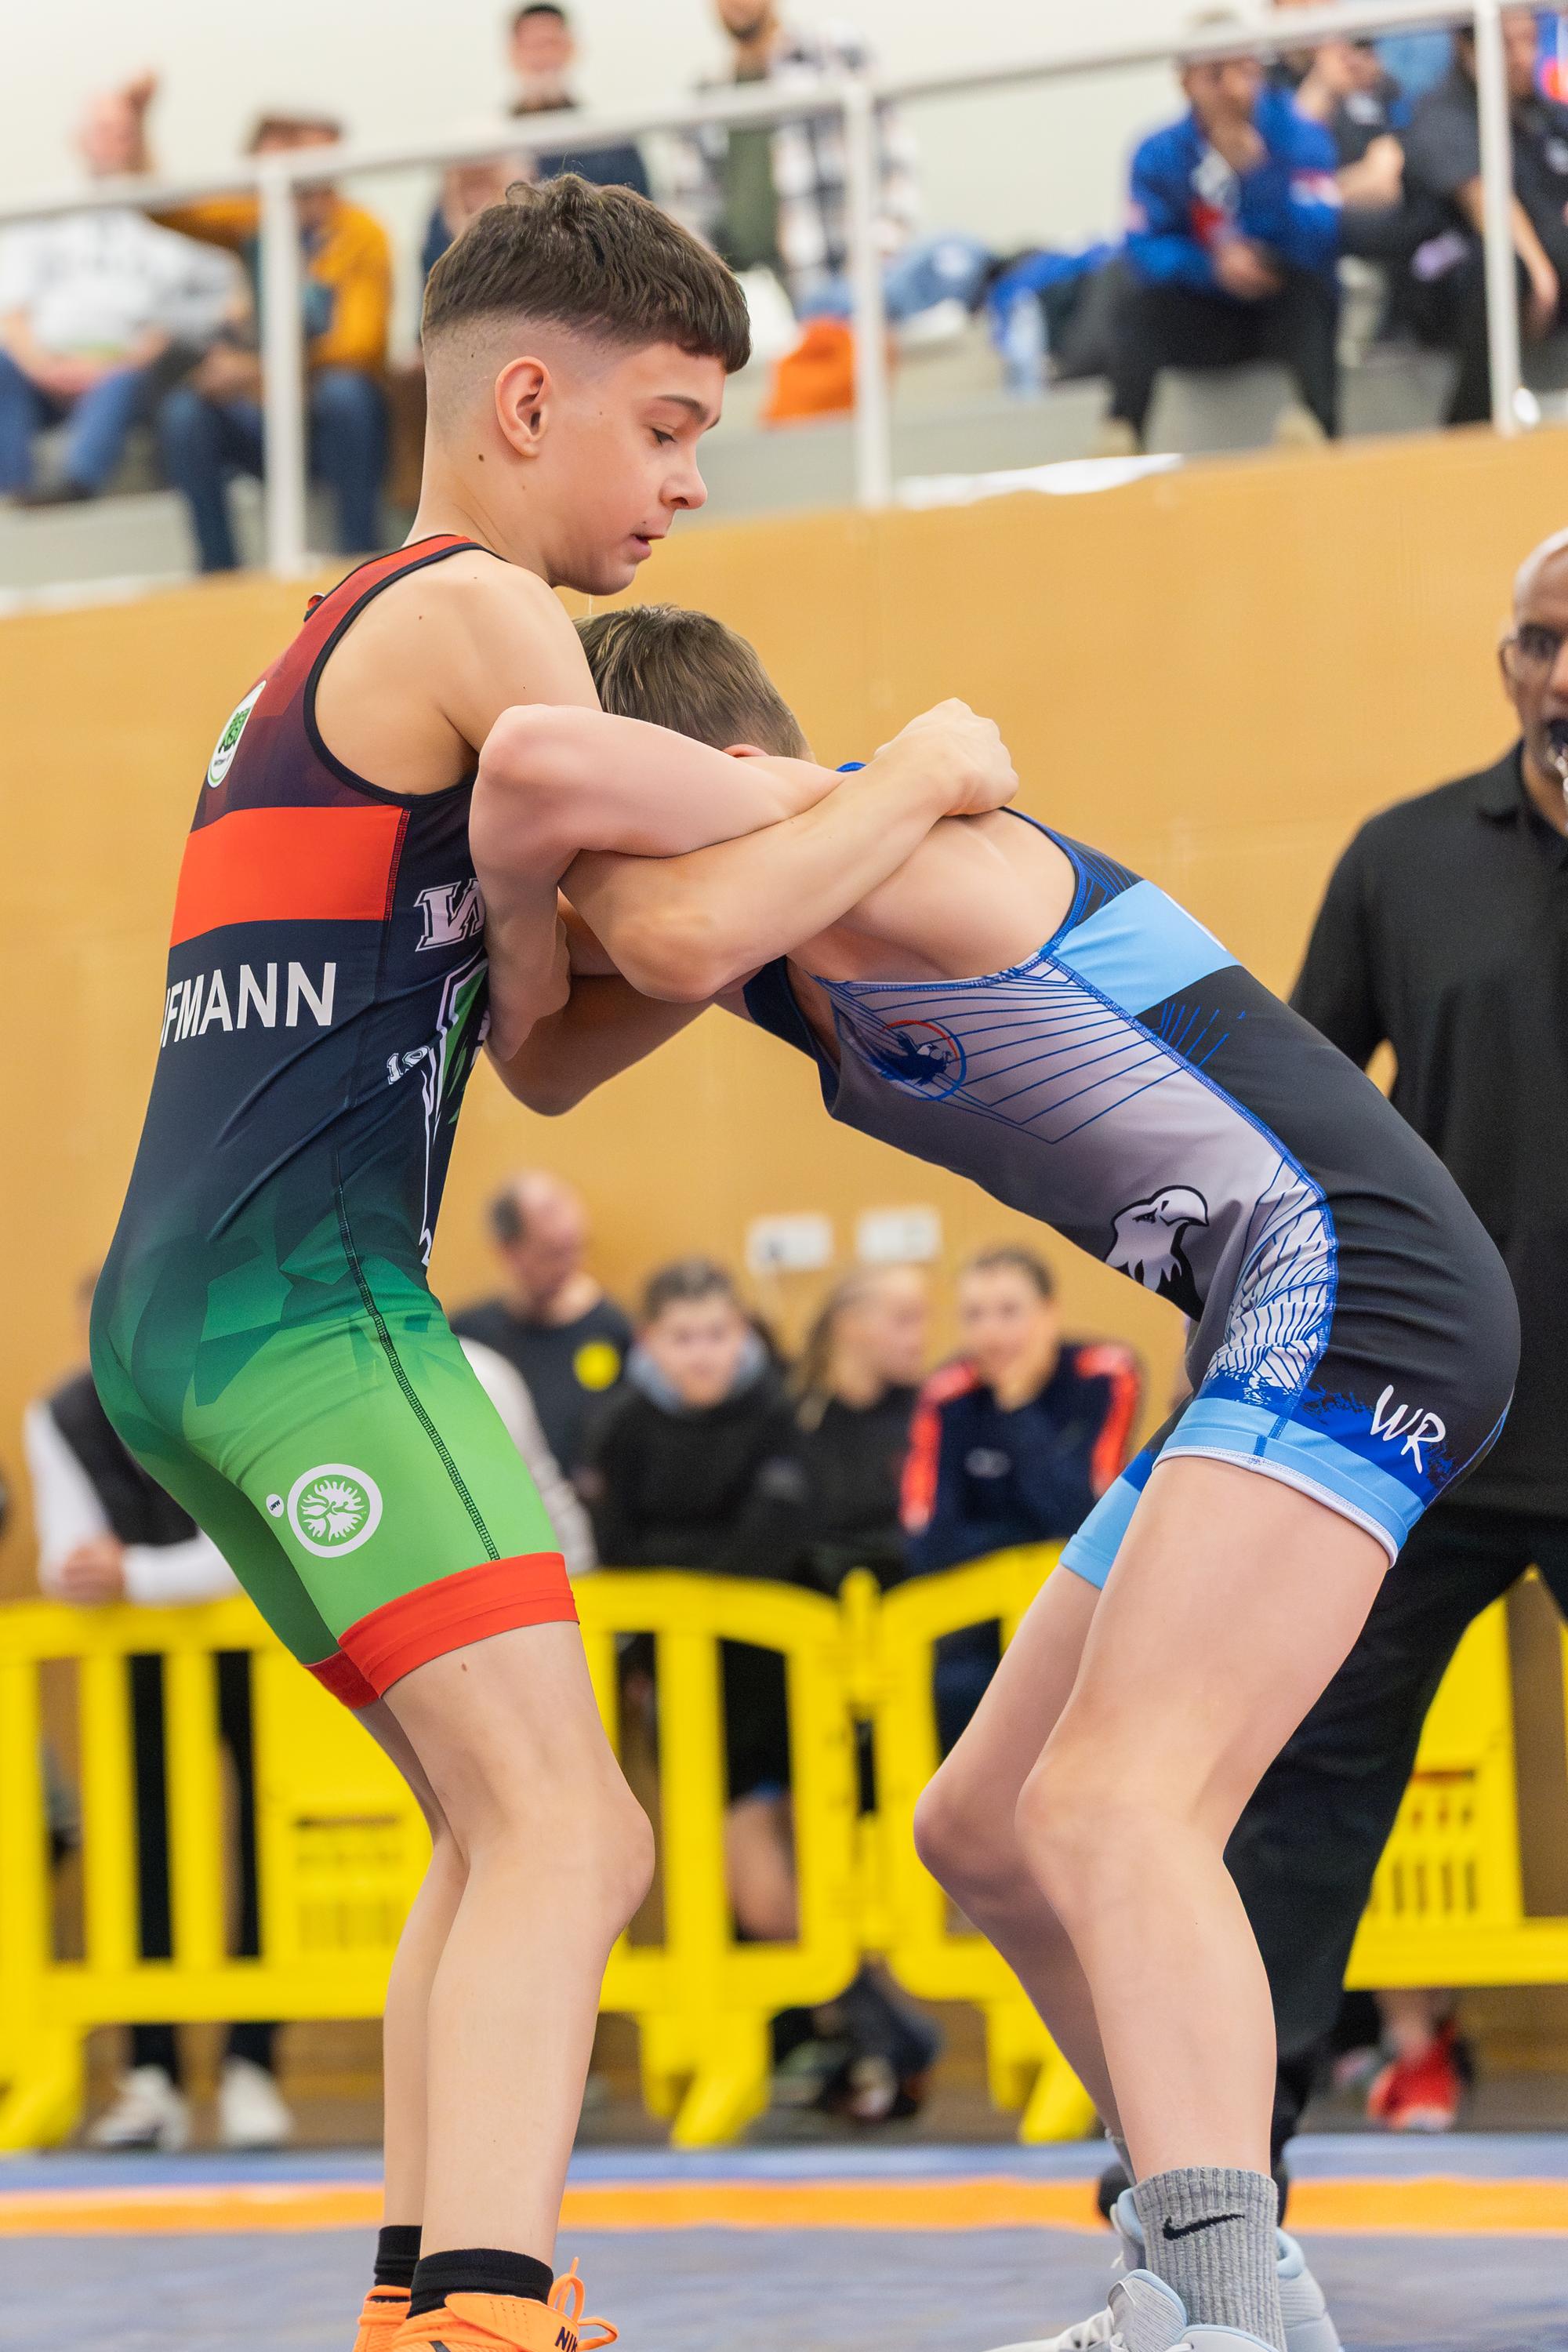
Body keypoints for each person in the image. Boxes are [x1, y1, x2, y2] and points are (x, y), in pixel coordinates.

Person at [91, 172, 1016, 2352]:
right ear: (528, 400)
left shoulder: (331, 641)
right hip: (305, 1306)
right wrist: (899, 780)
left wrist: (698, 876)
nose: (690, 484)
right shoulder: (475, 610)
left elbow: (546, 1039)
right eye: (670, 426)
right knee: (577, 1834)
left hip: (194, 1318)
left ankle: (427, 2289)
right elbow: (589, 791)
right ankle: (485, 2315)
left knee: (494, 1822)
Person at [495, 597, 1517, 2352]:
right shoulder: (802, 895)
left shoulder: (910, 853)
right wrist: (528, 878)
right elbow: (541, 1051)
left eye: (599, 841)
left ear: (713, 779)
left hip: (1362, 1287)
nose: (589, 892)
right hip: (1278, 1319)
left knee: (1114, 1803)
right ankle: (1234, 2273)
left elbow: (662, 927)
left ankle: (1208, 2307)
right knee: (986, 1825)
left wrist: (903, 769)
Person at [1214, 525, 1568, 2185]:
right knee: (1304, 1789)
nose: (1564, 675)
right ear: (1506, 663)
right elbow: (1282, 1120)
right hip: (1422, 1431)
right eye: (1541, 642)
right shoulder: (1402, 859)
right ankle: (1217, 2176)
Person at [25, 1274, 292, 2155]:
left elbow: (249, 1547)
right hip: (134, 1667)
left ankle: (254, 2064)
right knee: (140, 1845)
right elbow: (68, 1564)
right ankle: (152, 2075)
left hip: (262, 1652)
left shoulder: (231, 1391)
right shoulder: (60, 1415)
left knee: (268, 1837)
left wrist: (135, 1575)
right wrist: (131, 1576)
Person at [111, 81, 391, 570]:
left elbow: (358, 347)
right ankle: (219, 570)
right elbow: (169, 208)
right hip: (267, 413)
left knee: (346, 395)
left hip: (330, 419)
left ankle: (362, 558)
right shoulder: (258, 220)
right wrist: (137, 128)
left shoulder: (362, 231)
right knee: (187, 413)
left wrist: (256, 372)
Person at [902, 1247, 1141, 1753]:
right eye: (974, 1316)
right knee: (955, 1687)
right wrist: (1025, 1542)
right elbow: (928, 1545)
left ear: (1050, 1313)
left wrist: (1018, 1409)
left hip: (1077, 1614)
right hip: (974, 1630)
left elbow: (1086, 1517)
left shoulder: (1105, 1374)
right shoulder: (947, 1395)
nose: (992, 1334)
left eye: (1009, 1312)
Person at [1102, 18, 1341, 454]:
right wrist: (1210, 268)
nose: (1233, 89)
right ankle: (1120, 435)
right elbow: (1143, 247)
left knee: (1313, 290)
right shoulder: (1158, 152)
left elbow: (1321, 235)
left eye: (1245, 71)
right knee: (1136, 302)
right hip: (1204, 312)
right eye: (1216, 74)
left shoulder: (1298, 135)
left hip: (1278, 308)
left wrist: (1259, 178)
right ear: (1186, 82)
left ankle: (1314, 429)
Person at [0, 91, 234, 507]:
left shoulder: (173, 219)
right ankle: (12, 493)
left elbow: (219, 302)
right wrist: (44, 366)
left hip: (130, 370)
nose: (113, 142)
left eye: (125, 133)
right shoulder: (43, 212)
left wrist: (113, 366)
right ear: (79, 138)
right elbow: (11, 311)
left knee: (124, 381)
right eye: (103, 130)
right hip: (45, 370)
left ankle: (76, 483)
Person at [672, 0, 920, 317]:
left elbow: (897, 164)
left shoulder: (831, 53)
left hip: (842, 292)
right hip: (753, 309)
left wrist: (876, 261)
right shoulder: (705, 93)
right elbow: (691, 212)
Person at [1399, 8, 1568, 425]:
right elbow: (1484, 200)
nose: (1523, 57)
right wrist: (1540, 273)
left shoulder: (1539, 112)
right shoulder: (1442, 110)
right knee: (1505, 268)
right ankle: (1468, 427)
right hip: (1449, 274)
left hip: (1544, 261)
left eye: (1530, 41)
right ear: (1467, 48)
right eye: (1507, 44)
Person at [452, 1171, 633, 1484]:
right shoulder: (469, 1336)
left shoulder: (613, 1329)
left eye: (575, 1248)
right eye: (551, 1253)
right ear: (509, 1252)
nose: (569, 1266)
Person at [788, 1263, 928, 1594]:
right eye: (904, 1320)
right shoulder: (795, 1417)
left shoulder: (927, 1412)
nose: (920, 1338)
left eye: (923, 1319)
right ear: (850, 1325)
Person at [505, 3, 652, 197]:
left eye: (552, 44)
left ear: (571, 48)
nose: (544, 57)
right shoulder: (490, 150)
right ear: (513, 54)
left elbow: (640, 207)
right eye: (532, 46)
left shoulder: (612, 142)